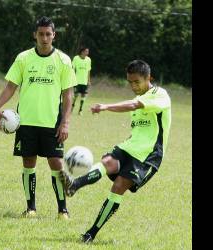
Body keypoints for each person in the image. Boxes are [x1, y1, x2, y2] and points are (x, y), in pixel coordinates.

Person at [59, 60, 171, 243]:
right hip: (129, 147)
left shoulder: (160, 94)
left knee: (117, 187)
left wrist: (105, 107)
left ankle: (91, 233)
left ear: (149, 78)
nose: (133, 86)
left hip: (148, 155)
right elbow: (136, 116)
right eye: (130, 82)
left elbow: (134, 105)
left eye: (137, 82)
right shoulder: (137, 99)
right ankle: (74, 185)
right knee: (107, 162)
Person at [0, 16, 76, 219]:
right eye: (41, 34)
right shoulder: (23, 58)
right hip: (26, 122)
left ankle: (62, 209)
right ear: (35, 35)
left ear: (54, 36)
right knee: (28, 163)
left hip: (51, 123)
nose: (45, 38)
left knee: (55, 164)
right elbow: (11, 86)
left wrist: (65, 123)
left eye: (48, 34)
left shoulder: (63, 60)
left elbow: (68, 95)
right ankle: (31, 208)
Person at [71, 47, 92, 115]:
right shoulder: (76, 58)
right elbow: (73, 69)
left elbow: (88, 71)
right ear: (82, 52)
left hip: (84, 82)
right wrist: (72, 79)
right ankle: (72, 107)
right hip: (77, 81)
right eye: (86, 51)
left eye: (88, 51)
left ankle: (80, 110)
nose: (87, 53)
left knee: (84, 96)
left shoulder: (88, 59)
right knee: (75, 96)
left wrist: (88, 81)